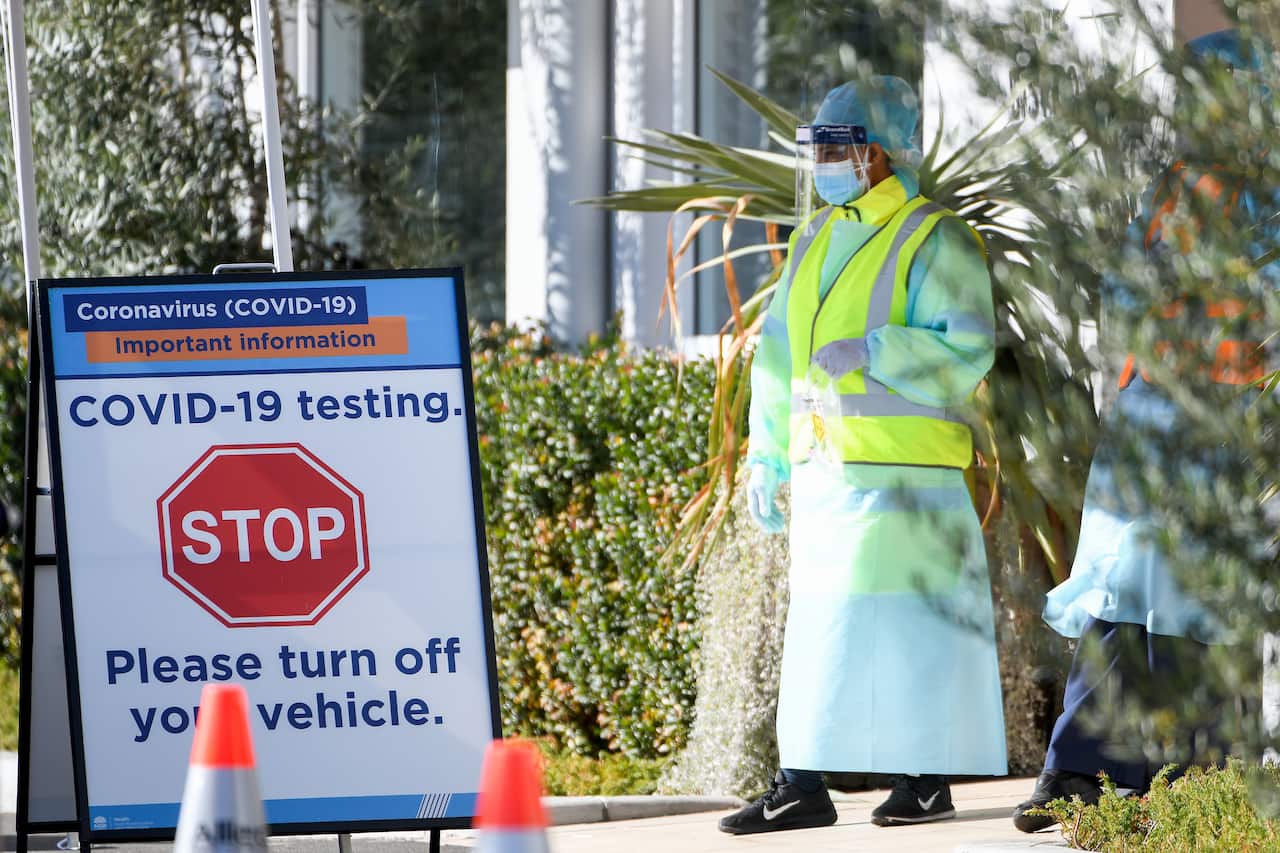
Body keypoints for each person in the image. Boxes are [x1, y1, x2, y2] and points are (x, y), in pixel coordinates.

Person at [717, 75, 1007, 836]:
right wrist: (767, 455)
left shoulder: (934, 236)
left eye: (833, 146)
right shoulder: (816, 239)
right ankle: (810, 781)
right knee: (825, 631)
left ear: (876, 155)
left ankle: (902, 779)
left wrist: (876, 350)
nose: (819, 158)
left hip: (906, 477)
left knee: (905, 634)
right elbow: (777, 356)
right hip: (830, 473)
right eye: (815, 145)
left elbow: (968, 346)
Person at [1012, 28, 1279, 833]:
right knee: (1120, 587)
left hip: (1217, 426)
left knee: (1189, 603)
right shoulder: (1166, 188)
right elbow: (1126, 295)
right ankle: (1077, 770)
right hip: (1145, 421)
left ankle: (1192, 779)